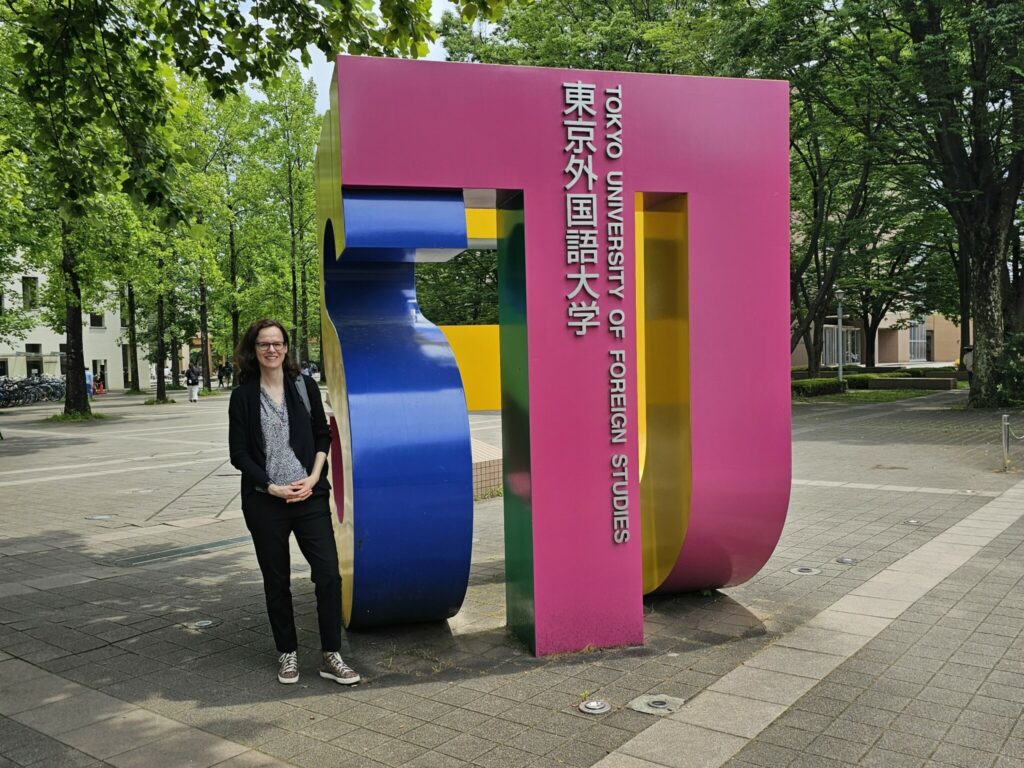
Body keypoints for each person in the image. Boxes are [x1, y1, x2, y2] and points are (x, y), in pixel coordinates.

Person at [228, 319, 360, 686]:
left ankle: (332, 654)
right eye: (263, 344)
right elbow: (238, 453)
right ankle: (287, 652)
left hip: (309, 495)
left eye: (277, 343)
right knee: (277, 580)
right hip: (265, 501)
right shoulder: (242, 396)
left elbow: (322, 435)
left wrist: (315, 477)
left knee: (328, 576)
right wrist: (270, 486)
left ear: (286, 348)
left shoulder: (303, 386)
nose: (271, 350)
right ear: (252, 350)